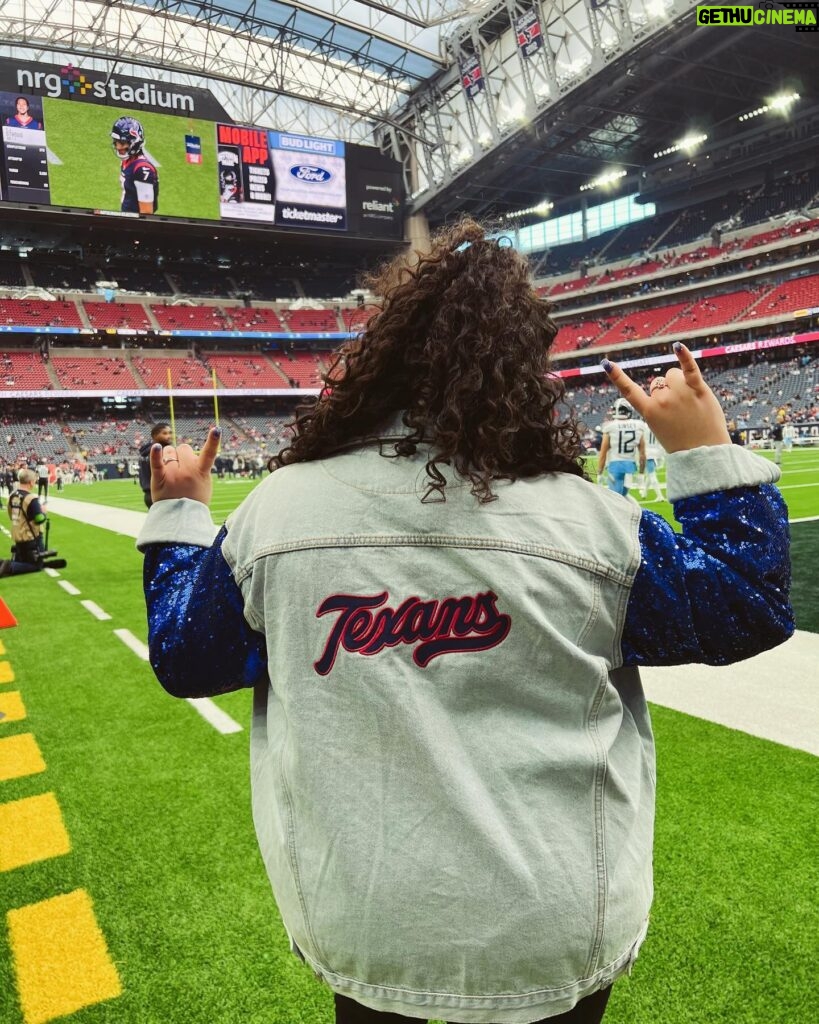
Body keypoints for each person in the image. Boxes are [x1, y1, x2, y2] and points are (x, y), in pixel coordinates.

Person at [136, 220, 792, 1024]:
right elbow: (744, 608)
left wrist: (176, 516)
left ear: (381, 356)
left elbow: (185, 656)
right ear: (525, 369)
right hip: (556, 921)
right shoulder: (592, 524)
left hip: (367, 919)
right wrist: (706, 456)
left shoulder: (277, 515)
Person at [0, 469, 66, 577]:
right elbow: (39, 519)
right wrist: (44, 512)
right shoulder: (31, 498)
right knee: (36, 566)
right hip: (31, 538)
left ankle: (5, 564)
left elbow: (11, 515)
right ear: (31, 482)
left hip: (18, 536)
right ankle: (9, 566)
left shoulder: (12, 496)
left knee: (24, 561)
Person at [597, 397, 645, 497]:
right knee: (623, 497)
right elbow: (642, 454)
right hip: (630, 466)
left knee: (615, 499)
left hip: (615, 465)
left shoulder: (610, 426)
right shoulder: (638, 425)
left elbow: (603, 453)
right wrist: (641, 473)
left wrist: (600, 473)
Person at [111, 116, 159, 215]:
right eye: (116, 142)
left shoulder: (142, 170)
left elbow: (146, 214)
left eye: (123, 143)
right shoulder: (128, 160)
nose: (118, 147)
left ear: (135, 143)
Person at [138, 423, 172, 508]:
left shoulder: (145, 452)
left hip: (149, 495)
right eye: (164, 433)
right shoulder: (161, 450)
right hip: (161, 495)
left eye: (170, 433)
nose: (169, 436)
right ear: (155, 435)